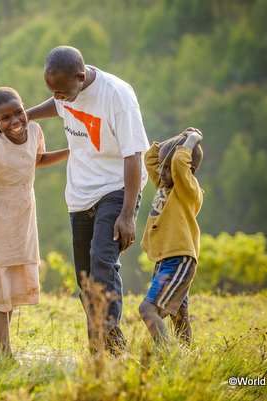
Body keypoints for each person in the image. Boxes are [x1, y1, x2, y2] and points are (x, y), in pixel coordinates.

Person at [26, 45, 150, 354]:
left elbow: (134, 156)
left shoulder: (117, 96)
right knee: (84, 278)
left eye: (64, 92)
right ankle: (109, 345)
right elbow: (56, 106)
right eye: (53, 92)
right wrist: (24, 115)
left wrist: (127, 214)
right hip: (80, 193)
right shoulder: (65, 92)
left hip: (118, 187)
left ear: (81, 78)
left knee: (102, 262)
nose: (59, 98)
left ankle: (105, 341)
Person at [0, 87, 69, 360]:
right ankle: (3, 351)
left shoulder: (36, 132)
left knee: (12, 281)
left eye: (19, 112)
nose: (15, 121)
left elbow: (37, 160)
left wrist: (71, 151)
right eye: (5, 118)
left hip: (24, 213)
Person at [138, 128, 203, 346]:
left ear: (189, 170)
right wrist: (178, 139)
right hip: (165, 259)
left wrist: (192, 140)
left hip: (179, 259)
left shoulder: (187, 190)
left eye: (169, 168)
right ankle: (187, 356)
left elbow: (178, 165)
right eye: (163, 167)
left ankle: (167, 357)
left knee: (147, 309)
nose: (163, 172)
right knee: (179, 314)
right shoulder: (164, 186)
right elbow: (149, 158)